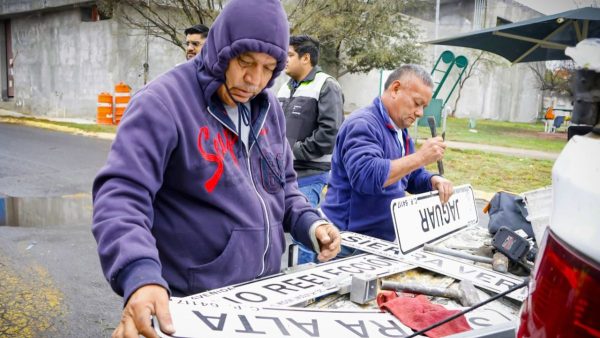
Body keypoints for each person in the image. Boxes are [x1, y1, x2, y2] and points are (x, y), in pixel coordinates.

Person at [92, 0, 341, 337]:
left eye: (269, 68)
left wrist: (312, 224)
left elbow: (282, 186)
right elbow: (121, 197)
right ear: (222, 47)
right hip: (191, 306)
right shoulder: (162, 102)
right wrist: (140, 275)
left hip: (261, 299)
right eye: (245, 61)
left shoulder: (269, 109)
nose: (254, 80)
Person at [321, 64, 453, 243]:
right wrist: (420, 157)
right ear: (395, 89)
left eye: (424, 107)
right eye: (416, 103)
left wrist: (432, 180)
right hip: (347, 241)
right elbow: (367, 176)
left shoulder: (399, 129)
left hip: (379, 240)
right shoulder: (363, 124)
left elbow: (409, 174)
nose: (420, 113)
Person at [277, 35, 344, 264]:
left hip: (309, 175)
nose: (284, 59)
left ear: (306, 58)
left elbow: (329, 135)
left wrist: (292, 152)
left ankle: (307, 295)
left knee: (306, 237)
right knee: (285, 237)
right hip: (283, 175)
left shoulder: (326, 85)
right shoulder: (284, 88)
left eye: (290, 55)